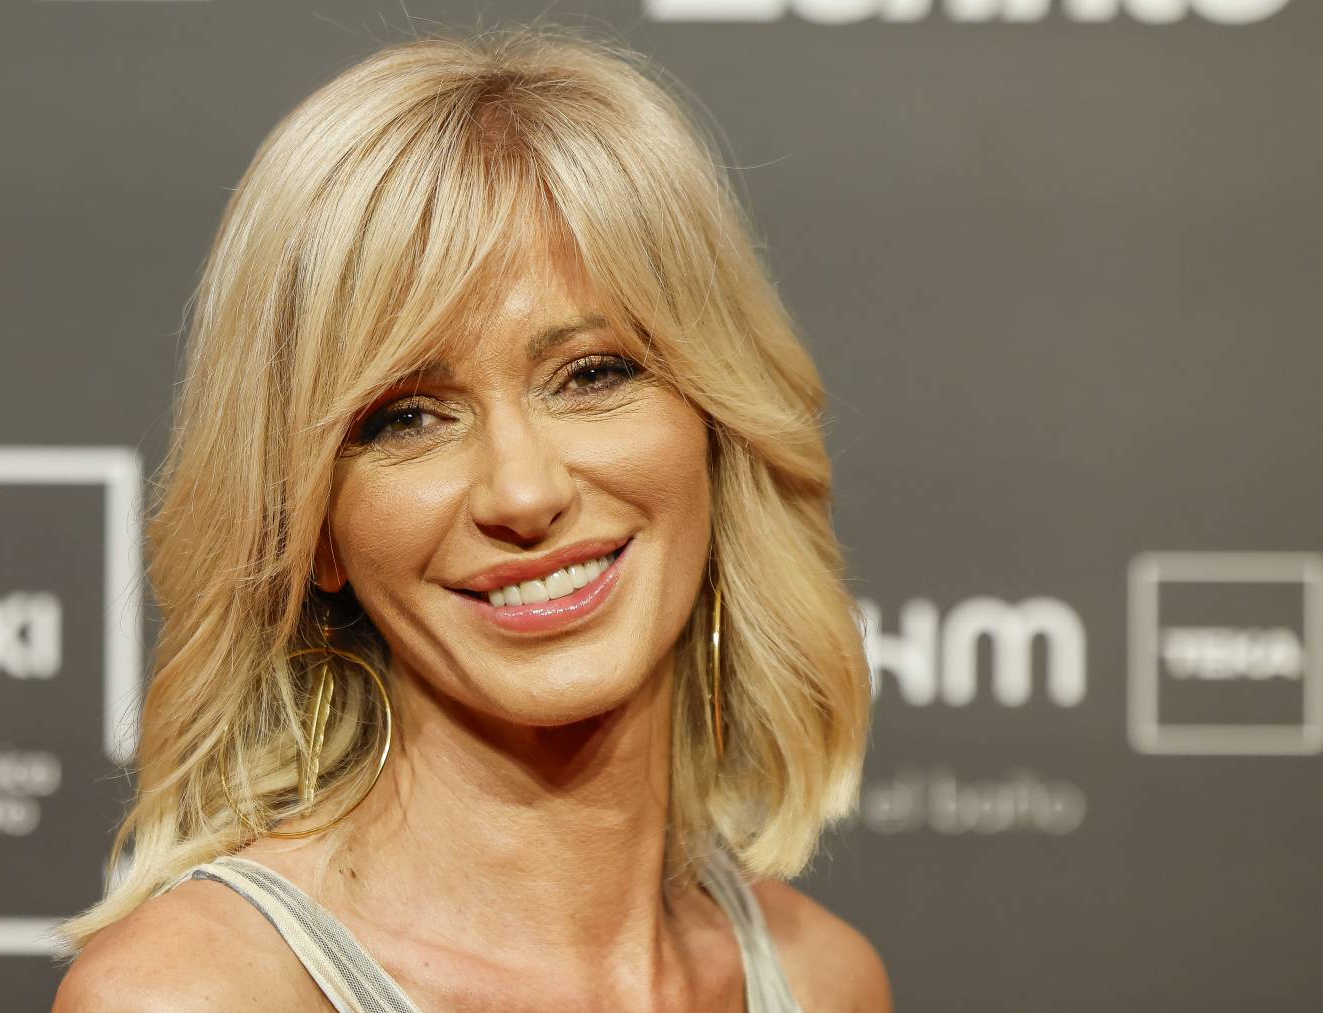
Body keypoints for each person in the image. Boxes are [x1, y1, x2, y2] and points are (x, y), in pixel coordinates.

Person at [52, 23, 889, 1012]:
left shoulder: (824, 979)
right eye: (407, 417)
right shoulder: (199, 994)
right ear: (312, 529)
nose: (523, 493)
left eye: (591, 373)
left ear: (716, 424)